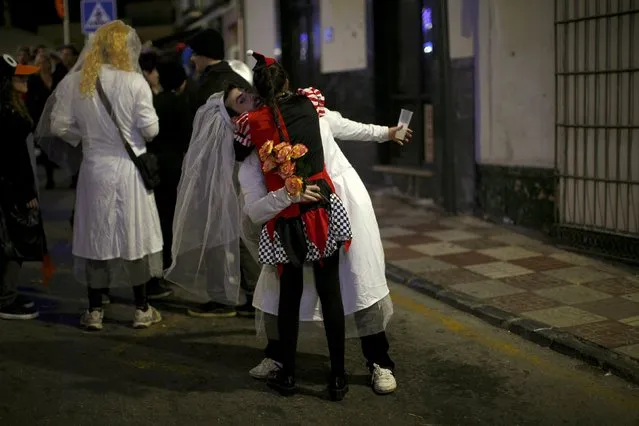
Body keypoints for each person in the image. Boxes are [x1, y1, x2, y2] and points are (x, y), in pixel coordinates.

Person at [235, 51, 354, 401]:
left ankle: (287, 374)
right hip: (321, 210)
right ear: (286, 82)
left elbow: (243, 148)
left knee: (289, 297)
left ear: (257, 93)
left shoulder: (251, 122)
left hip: (285, 219)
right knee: (330, 292)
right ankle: (337, 378)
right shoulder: (310, 103)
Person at [41, 20, 163, 331]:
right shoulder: (135, 82)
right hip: (128, 171)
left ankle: (95, 310)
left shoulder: (76, 82)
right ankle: (141, 308)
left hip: (94, 170)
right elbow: (150, 130)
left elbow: (58, 126)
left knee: (96, 237)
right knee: (133, 235)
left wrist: (83, 138)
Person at [166, 64, 260, 318]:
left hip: (237, 183)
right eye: (240, 93)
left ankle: (242, 297)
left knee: (235, 235)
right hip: (222, 181)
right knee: (224, 235)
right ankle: (235, 296)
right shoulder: (215, 108)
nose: (247, 99)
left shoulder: (235, 108)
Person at [0, 53, 46, 320]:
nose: (26, 79)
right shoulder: (7, 113)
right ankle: (5, 299)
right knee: (12, 244)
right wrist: (27, 192)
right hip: (11, 189)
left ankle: (7, 293)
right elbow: (14, 158)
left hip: (9, 186)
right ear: (6, 81)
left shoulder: (12, 106)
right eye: (20, 77)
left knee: (9, 243)